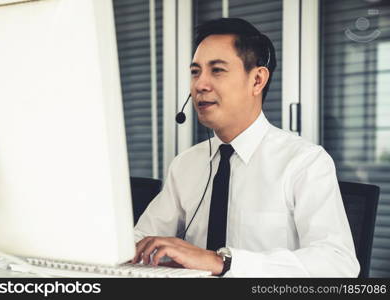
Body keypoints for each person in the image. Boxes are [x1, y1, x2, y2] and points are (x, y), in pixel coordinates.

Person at [132, 18, 360, 277]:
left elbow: (338, 264)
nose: (199, 85)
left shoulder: (305, 162)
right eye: (195, 72)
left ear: (257, 80)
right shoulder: (186, 164)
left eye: (217, 70)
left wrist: (223, 262)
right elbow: (142, 238)